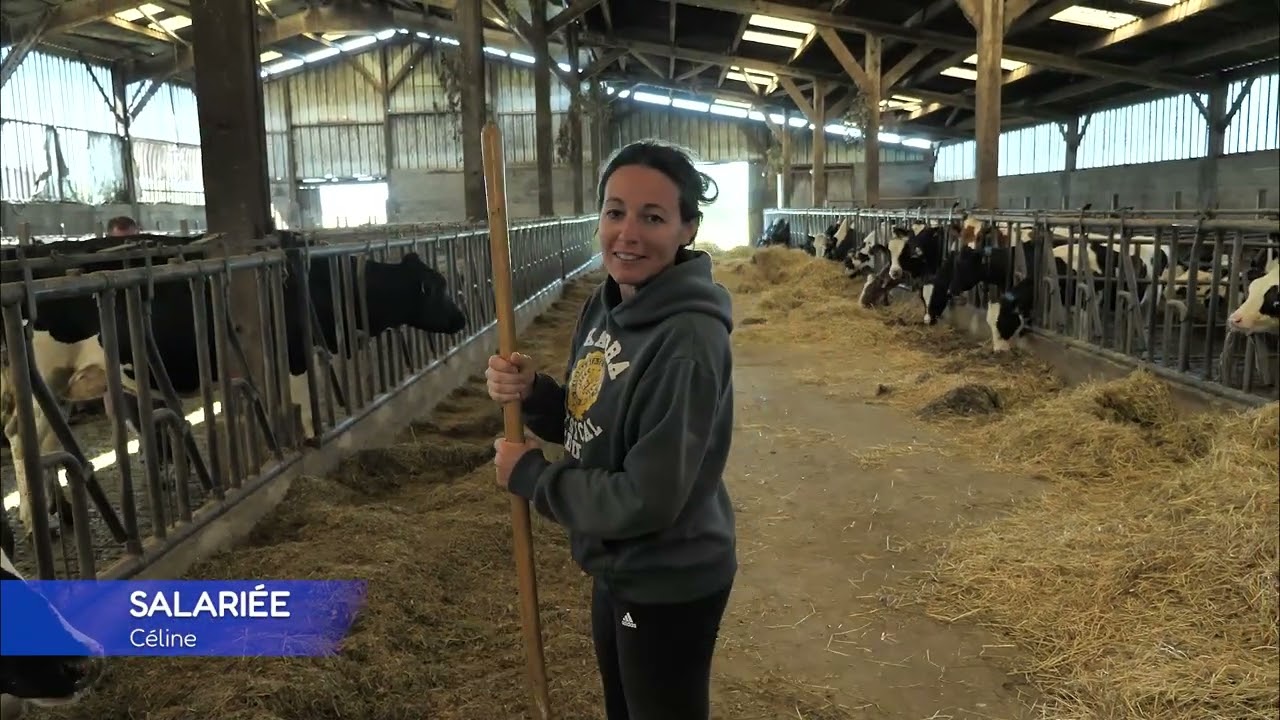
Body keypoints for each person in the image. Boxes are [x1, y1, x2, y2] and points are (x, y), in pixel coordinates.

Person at [485, 139, 737, 720]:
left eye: (653, 217)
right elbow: (595, 418)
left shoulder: (688, 343)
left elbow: (646, 499)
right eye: (615, 211)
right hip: (617, 564)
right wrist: (537, 396)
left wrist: (533, 477)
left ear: (687, 229)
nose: (628, 232)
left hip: (668, 575)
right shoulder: (607, 304)